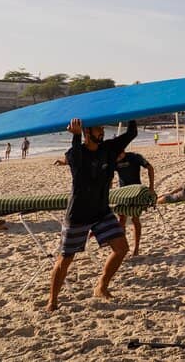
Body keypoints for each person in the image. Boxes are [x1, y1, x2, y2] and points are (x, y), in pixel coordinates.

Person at [46, 118, 137, 312]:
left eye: (103, 128)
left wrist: (131, 112)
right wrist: (76, 135)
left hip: (101, 211)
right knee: (65, 259)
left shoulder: (109, 149)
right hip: (78, 214)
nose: (102, 132)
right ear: (87, 133)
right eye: (98, 129)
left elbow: (131, 134)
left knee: (121, 249)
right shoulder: (75, 154)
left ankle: (101, 286)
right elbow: (76, 157)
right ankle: (52, 300)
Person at [114, 144, 155, 256]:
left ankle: (136, 248)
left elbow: (150, 167)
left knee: (135, 219)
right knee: (121, 219)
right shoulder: (113, 160)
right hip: (123, 192)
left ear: (123, 152)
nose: (116, 158)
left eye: (118, 155)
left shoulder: (135, 157)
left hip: (136, 192)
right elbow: (109, 176)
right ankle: (123, 246)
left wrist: (151, 187)